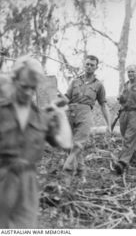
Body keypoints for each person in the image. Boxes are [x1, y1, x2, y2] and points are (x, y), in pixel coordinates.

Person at [0, 56, 73, 228]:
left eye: (32, 88)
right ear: (14, 80)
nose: (28, 93)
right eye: (24, 86)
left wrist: (61, 115)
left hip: (28, 183)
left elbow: (65, 143)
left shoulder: (40, 116)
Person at [62, 55, 112, 184]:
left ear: (96, 67)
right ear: (84, 65)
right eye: (87, 64)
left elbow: (103, 105)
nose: (89, 67)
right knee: (70, 145)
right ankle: (81, 174)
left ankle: (67, 173)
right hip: (70, 112)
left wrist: (109, 124)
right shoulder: (75, 81)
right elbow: (67, 98)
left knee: (78, 144)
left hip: (85, 114)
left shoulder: (98, 85)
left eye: (92, 65)